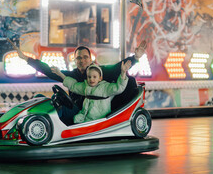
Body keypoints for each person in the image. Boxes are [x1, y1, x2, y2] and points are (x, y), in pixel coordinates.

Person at [15, 42, 147, 124]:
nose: (82, 60)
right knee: (39, 99)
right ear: (75, 60)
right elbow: (48, 70)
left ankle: (41, 127)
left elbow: (120, 67)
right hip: (72, 107)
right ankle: (25, 124)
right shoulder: (72, 75)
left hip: (84, 114)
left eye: (85, 57)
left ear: (90, 59)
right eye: (79, 58)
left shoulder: (100, 73)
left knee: (55, 108)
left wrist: (135, 58)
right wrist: (27, 59)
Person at [51, 61, 131, 123]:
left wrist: (123, 72)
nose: (91, 79)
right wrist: (59, 73)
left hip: (99, 120)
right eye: (89, 77)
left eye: (94, 77)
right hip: (85, 118)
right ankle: (53, 121)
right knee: (57, 103)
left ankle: (52, 122)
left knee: (62, 108)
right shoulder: (86, 87)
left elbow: (119, 87)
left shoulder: (105, 88)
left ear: (100, 78)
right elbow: (73, 85)